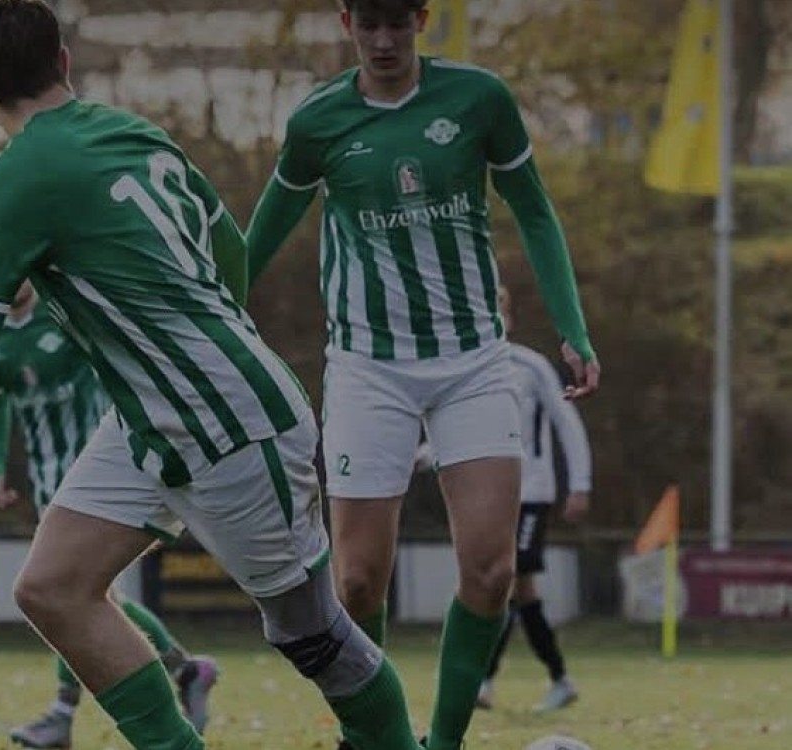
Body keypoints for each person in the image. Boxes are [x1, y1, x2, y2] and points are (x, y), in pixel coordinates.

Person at [0, 2, 422, 748]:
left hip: (232, 424)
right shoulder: (135, 132)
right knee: (53, 589)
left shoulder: (13, 179)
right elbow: (230, 256)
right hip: (150, 419)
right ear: (63, 61)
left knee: (312, 633)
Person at [242, 1, 601, 749]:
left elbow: (534, 211)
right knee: (355, 583)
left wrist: (571, 326)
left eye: (397, 24)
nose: (383, 41)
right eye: (369, 24)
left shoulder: (478, 99)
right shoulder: (317, 122)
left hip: (473, 361)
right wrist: (212, 314)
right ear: (346, 20)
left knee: (492, 571)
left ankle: (441, 743)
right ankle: (370, 737)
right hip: (367, 366)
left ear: (421, 19)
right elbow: (264, 230)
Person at [0, 280, 219, 748]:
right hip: (46, 477)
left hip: (95, 472)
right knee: (82, 595)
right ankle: (186, 670)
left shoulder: (63, 310)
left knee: (69, 594)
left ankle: (63, 712)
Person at [476, 286, 592, 713]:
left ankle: (484, 681)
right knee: (519, 590)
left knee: (508, 580)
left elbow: (566, 421)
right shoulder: (468, 370)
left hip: (531, 491)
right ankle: (559, 679)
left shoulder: (530, 366)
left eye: (498, 309)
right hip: (489, 495)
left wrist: (580, 483)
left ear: (508, 316)